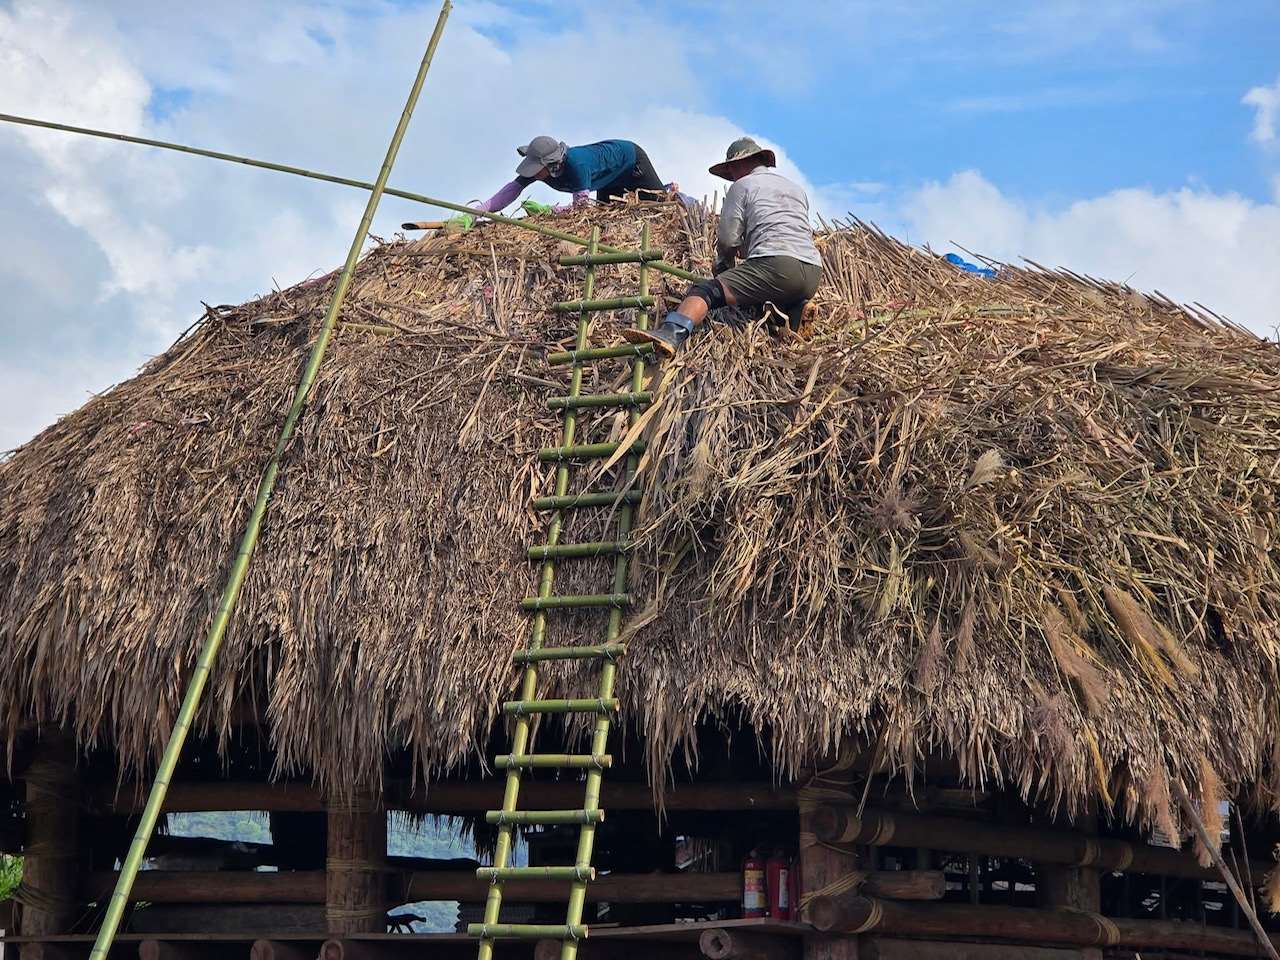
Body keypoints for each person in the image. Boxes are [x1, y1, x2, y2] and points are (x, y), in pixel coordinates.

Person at [623, 137, 822, 358]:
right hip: (812, 271)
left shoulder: (743, 185)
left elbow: (728, 239)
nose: (731, 177)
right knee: (762, 297)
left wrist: (724, 264)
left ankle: (671, 334)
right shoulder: (795, 189)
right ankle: (796, 312)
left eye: (730, 171)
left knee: (707, 292)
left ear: (738, 164)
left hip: (776, 265)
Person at [475, 136, 675, 213]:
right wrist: (478, 212)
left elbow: (581, 209)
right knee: (604, 215)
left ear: (551, 163)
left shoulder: (577, 165)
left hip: (631, 163)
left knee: (660, 204)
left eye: (536, 168)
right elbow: (512, 190)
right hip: (604, 179)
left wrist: (549, 211)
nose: (533, 173)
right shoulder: (539, 170)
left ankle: (671, 191)